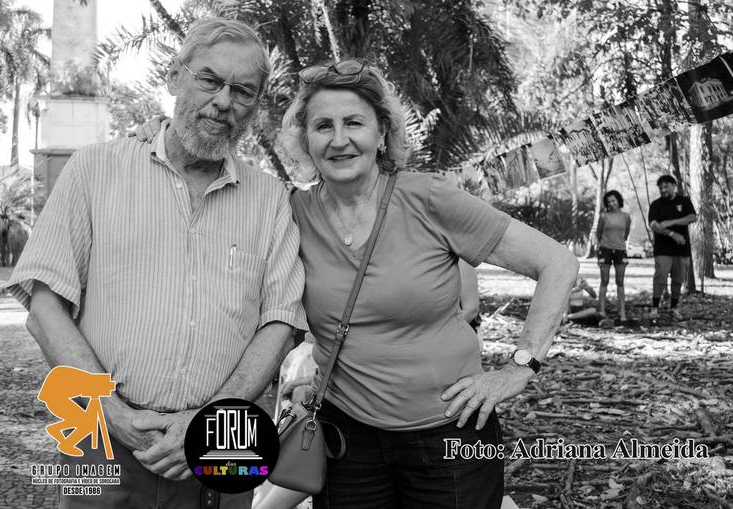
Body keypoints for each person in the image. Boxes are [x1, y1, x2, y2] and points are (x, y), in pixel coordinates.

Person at [8, 18, 307, 508]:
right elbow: (45, 310)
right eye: (209, 79)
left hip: (227, 437)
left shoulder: (271, 199)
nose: (223, 102)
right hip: (100, 433)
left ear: (255, 104)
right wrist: (113, 414)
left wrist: (208, 422)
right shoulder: (93, 170)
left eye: (242, 91)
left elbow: (280, 322)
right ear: (174, 76)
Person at [255, 58, 579, 509]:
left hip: (451, 433)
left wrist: (519, 369)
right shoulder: (292, 213)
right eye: (323, 126)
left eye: (354, 123)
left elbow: (557, 262)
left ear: (382, 133)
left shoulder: (427, 197)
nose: (339, 139)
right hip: (346, 441)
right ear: (306, 140)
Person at [647, 174, 697, 320]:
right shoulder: (656, 205)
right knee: (660, 277)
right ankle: (655, 308)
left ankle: (674, 308)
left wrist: (671, 222)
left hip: (681, 249)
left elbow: (692, 217)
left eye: (666, 186)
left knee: (678, 280)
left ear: (674, 186)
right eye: (660, 188)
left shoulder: (684, 201)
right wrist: (671, 234)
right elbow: (654, 225)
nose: (663, 190)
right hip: (663, 249)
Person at [596, 190, 631, 322]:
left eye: (613, 200)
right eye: (609, 201)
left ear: (618, 201)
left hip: (620, 251)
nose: (611, 203)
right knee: (604, 281)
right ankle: (602, 310)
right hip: (605, 250)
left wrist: (618, 242)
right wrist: (600, 248)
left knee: (620, 282)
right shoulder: (603, 216)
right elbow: (598, 234)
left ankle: (622, 312)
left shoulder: (626, 216)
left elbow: (626, 234)